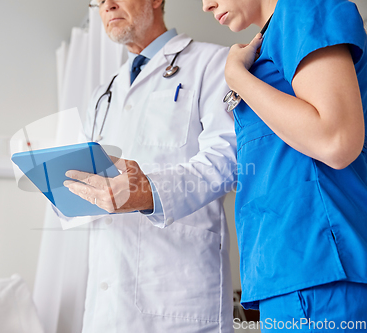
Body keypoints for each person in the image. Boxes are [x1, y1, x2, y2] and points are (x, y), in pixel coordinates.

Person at [62, 0, 238, 331]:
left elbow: (228, 158)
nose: (107, 6)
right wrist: (63, 188)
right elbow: (91, 180)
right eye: (98, 2)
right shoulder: (104, 94)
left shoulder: (212, 63)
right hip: (107, 302)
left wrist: (150, 193)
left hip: (177, 296)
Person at [202, 0, 367, 330]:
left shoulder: (304, 8)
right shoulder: (275, 36)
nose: (207, 5)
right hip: (286, 273)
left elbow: (336, 140)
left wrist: (237, 76)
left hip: (320, 270)